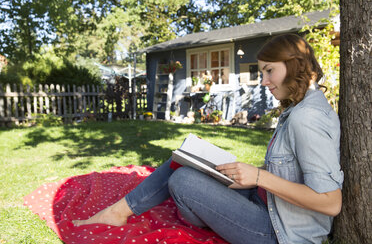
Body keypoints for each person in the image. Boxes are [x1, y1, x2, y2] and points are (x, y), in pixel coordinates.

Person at [73, 34, 343, 244]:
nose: (263, 81)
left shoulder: (307, 118)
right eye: (262, 72)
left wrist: (259, 178)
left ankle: (128, 212)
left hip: (281, 233)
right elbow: (294, 172)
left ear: (293, 65)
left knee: (182, 180)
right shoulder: (299, 108)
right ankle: (119, 212)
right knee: (184, 160)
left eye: (269, 71)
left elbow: (330, 202)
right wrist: (245, 174)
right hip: (269, 204)